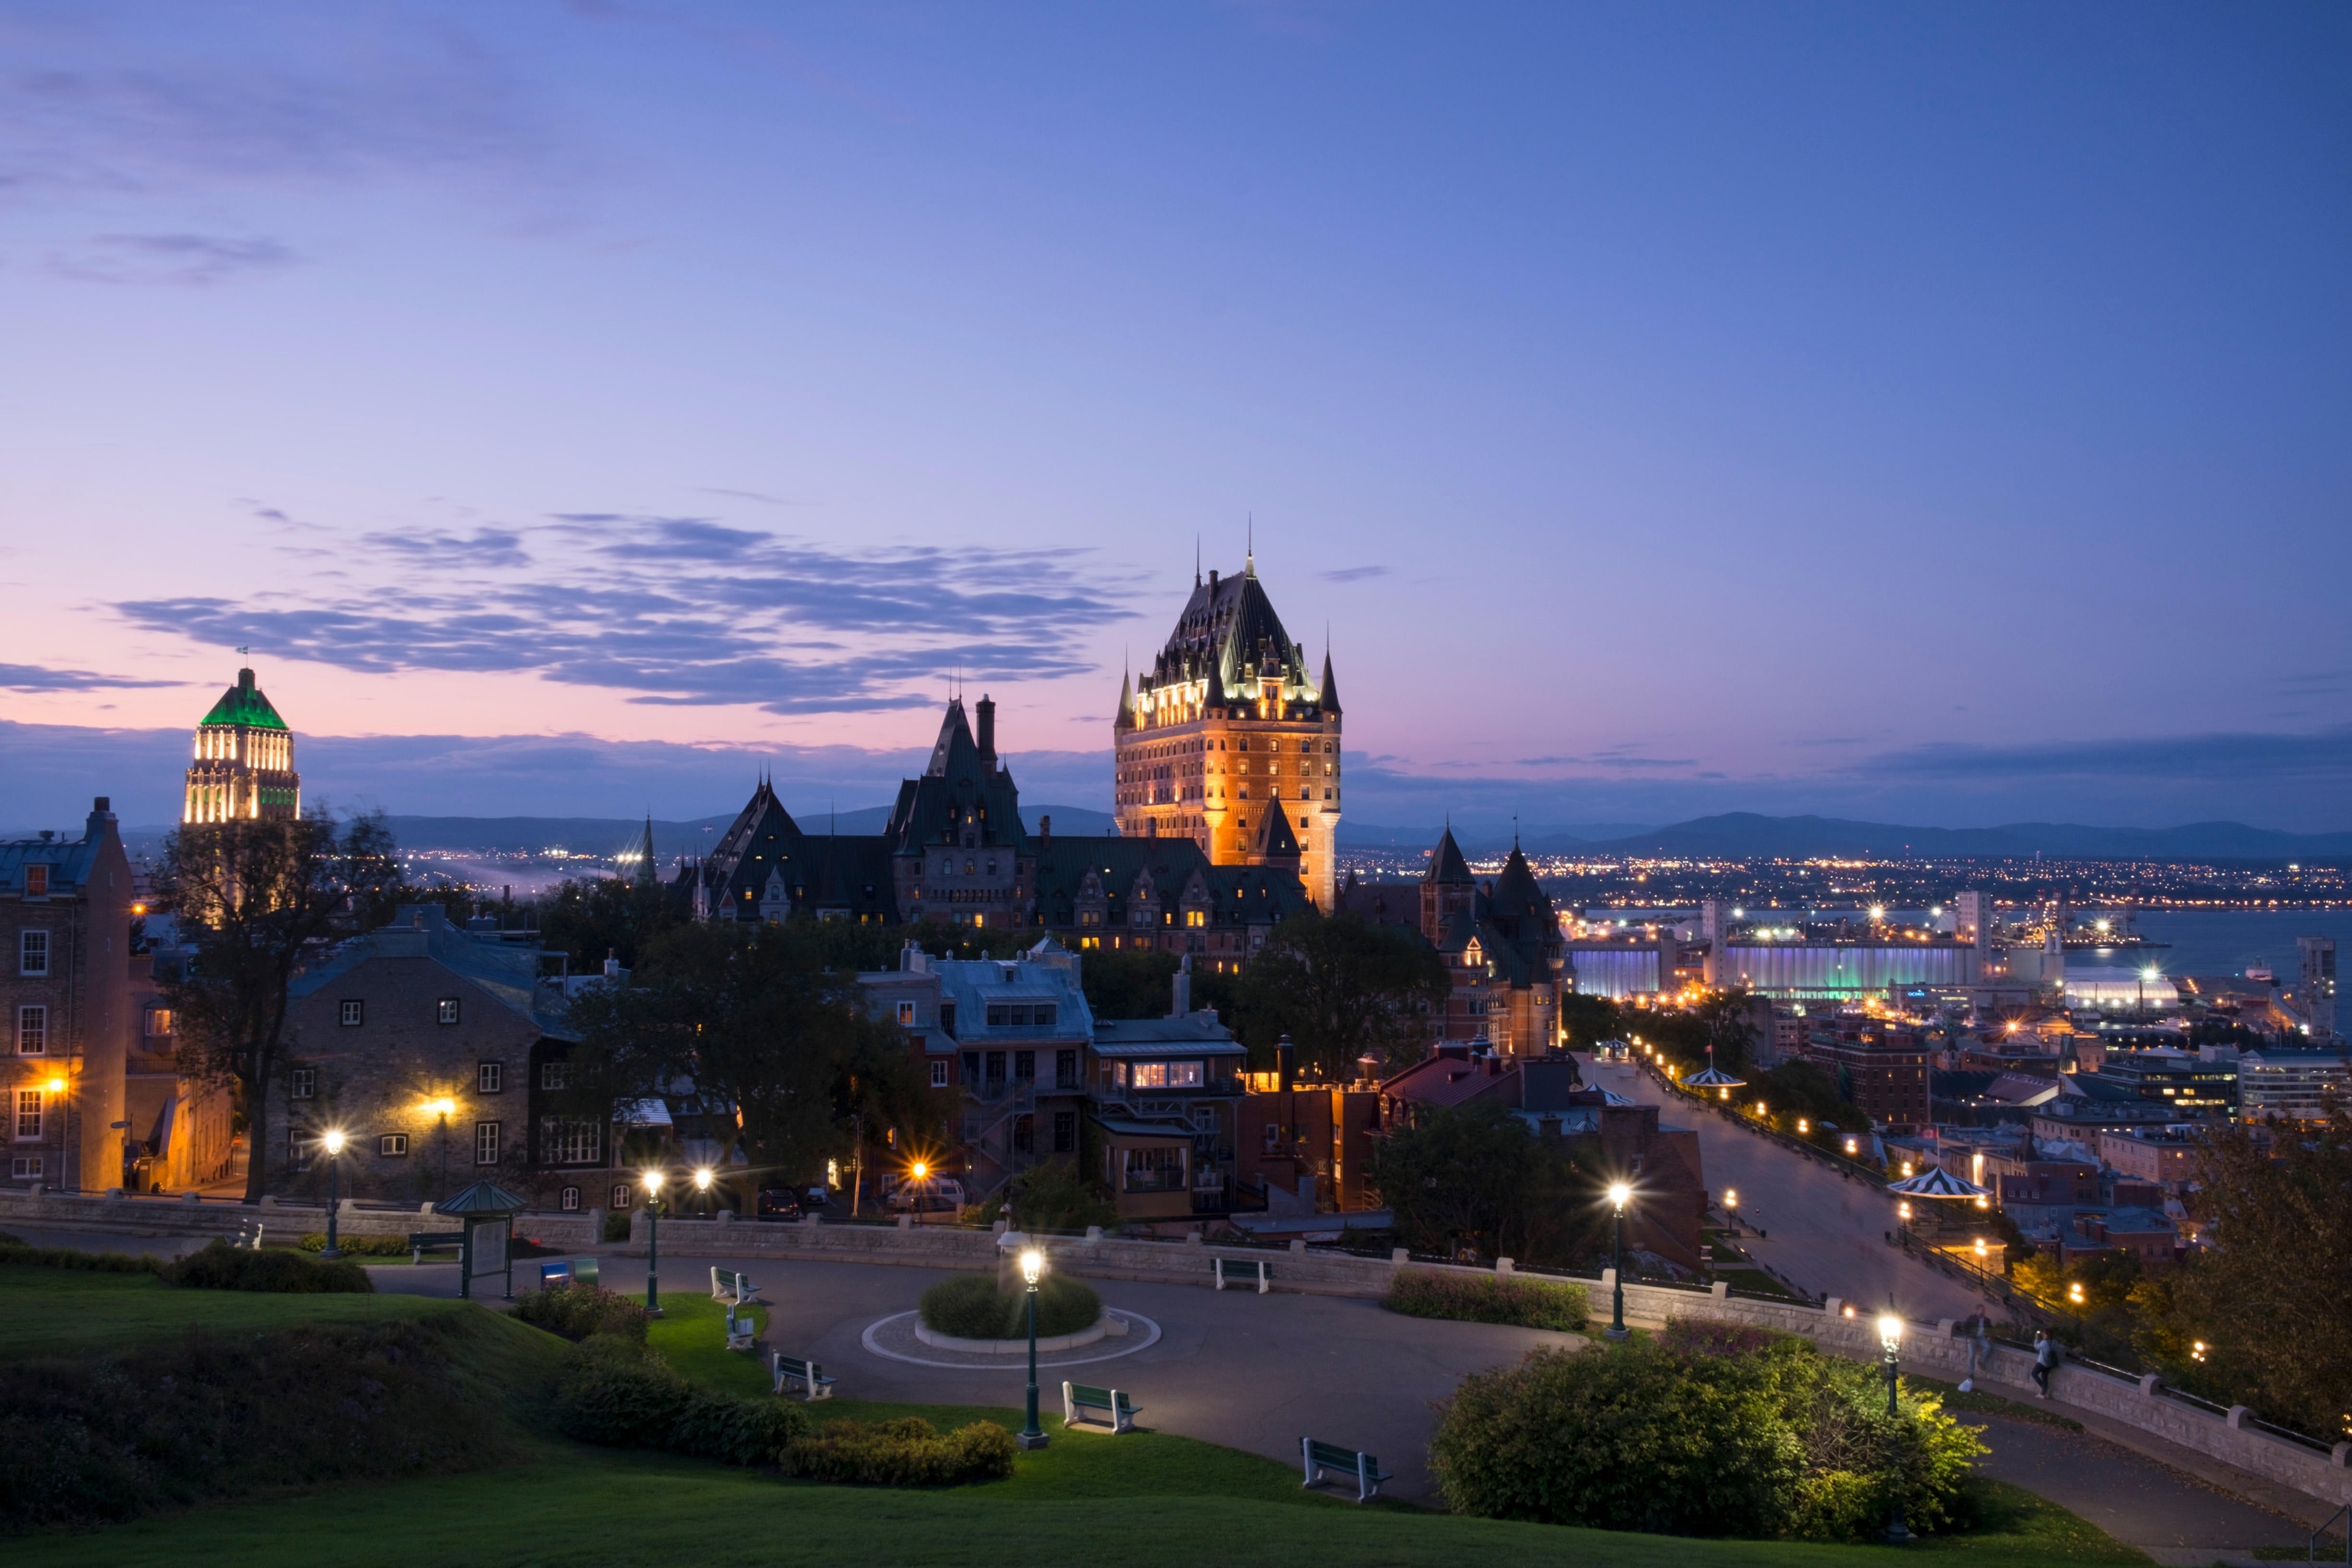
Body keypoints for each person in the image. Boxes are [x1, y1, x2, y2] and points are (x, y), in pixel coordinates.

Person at [2032, 1329, 2059, 1398]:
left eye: (2044, 1334)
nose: (2043, 1335)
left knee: (2034, 1374)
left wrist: (2037, 1339)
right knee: (2045, 1378)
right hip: (2050, 1363)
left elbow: (2036, 1347)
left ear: (2046, 1335)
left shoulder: (2044, 1343)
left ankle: (2044, 1389)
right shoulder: (2055, 1342)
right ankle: (2043, 1393)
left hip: (2042, 1362)